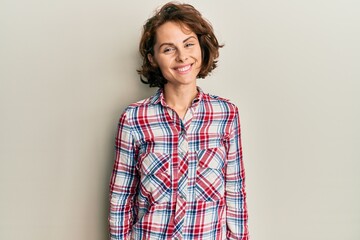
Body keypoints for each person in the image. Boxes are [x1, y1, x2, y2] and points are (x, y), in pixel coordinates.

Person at [109, 2, 248, 239]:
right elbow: (121, 198)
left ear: (201, 48)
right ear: (153, 58)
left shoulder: (226, 114)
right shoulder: (133, 119)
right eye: (168, 49)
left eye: (188, 44)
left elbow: (235, 192)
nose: (182, 56)